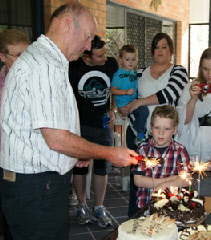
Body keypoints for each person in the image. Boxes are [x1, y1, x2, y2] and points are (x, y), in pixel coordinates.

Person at [0, 3, 137, 240]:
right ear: (67, 25)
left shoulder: (48, 60)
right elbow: (57, 139)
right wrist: (109, 153)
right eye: (87, 37)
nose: (87, 47)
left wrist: (77, 153)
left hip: (36, 186)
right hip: (36, 188)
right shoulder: (43, 65)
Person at [118, 33, 188, 217]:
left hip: (164, 138)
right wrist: (123, 108)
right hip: (138, 135)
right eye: (156, 47)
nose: (160, 51)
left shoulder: (178, 71)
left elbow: (168, 94)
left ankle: (166, 219)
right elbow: (128, 97)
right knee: (138, 183)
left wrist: (139, 103)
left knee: (166, 181)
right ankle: (134, 220)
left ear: (171, 50)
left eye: (164, 47)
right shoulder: (139, 73)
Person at [69, 35, 119, 227]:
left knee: (102, 168)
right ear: (86, 56)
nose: (105, 58)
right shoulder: (74, 68)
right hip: (80, 126)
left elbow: (115, 89)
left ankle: (98, 206)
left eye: (105, 53)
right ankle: (82, 205)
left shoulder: (111, 64)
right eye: (100, 56)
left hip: (103, 126)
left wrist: (113, 109)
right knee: (80, 168)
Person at [0, 28, 30, 240]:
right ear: (2, 56)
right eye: (18, 55)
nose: (23, 61)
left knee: (19, 220)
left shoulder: (33, 83)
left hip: (23, 163)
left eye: (26, 55)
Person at [132, 105, 191, 210]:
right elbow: (138, 180)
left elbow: (187, 180)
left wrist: (164, 186)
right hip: (145, 206)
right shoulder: (142, 150)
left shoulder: (180, 151)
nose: (161, 132)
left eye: (167, 128)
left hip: (171, 208)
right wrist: (167, 181)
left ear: (174, 130)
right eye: (157, 127)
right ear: (151, 128)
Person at [111, 44, 149, 144]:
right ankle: (138, 132)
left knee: (144, 111)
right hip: (124, 105)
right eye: (127, 59)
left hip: (133, 103)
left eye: (133, 59)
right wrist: (125, 92)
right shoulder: (119, 74)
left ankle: (139, 133)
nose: (131, 62)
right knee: (143, 112)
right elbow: (113, 90)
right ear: (120, 60)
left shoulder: (135, 73)